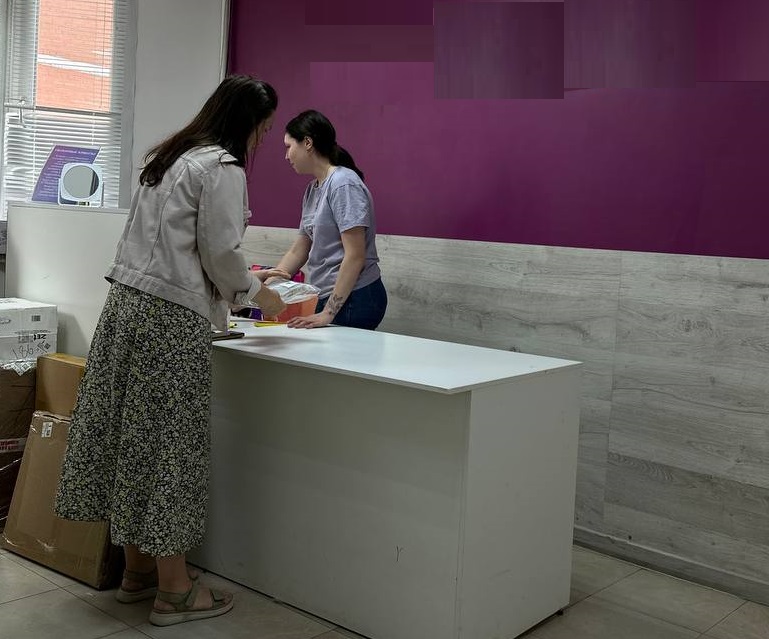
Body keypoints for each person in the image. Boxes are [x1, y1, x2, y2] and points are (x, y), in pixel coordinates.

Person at [54, 75, 285, 627]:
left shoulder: (170, 158)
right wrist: (260, 294)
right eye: (264, 128)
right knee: (170, 448)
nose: (263, 139)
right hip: (171, 318)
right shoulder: (221, 168)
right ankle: (176, 591)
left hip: (125, 307)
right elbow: (221, 254)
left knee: (131, 438)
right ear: (247, 123)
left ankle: (138, 573)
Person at [263, 109, 387, 329]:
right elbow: (298, 250)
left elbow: (355, 255)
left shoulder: (343, 183)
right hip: (328, 295)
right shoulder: (313, 189)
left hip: (356, 297)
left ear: (307, 143)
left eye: (289, 147)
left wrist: (328, 313)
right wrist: (266, 289)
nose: (286, 156)